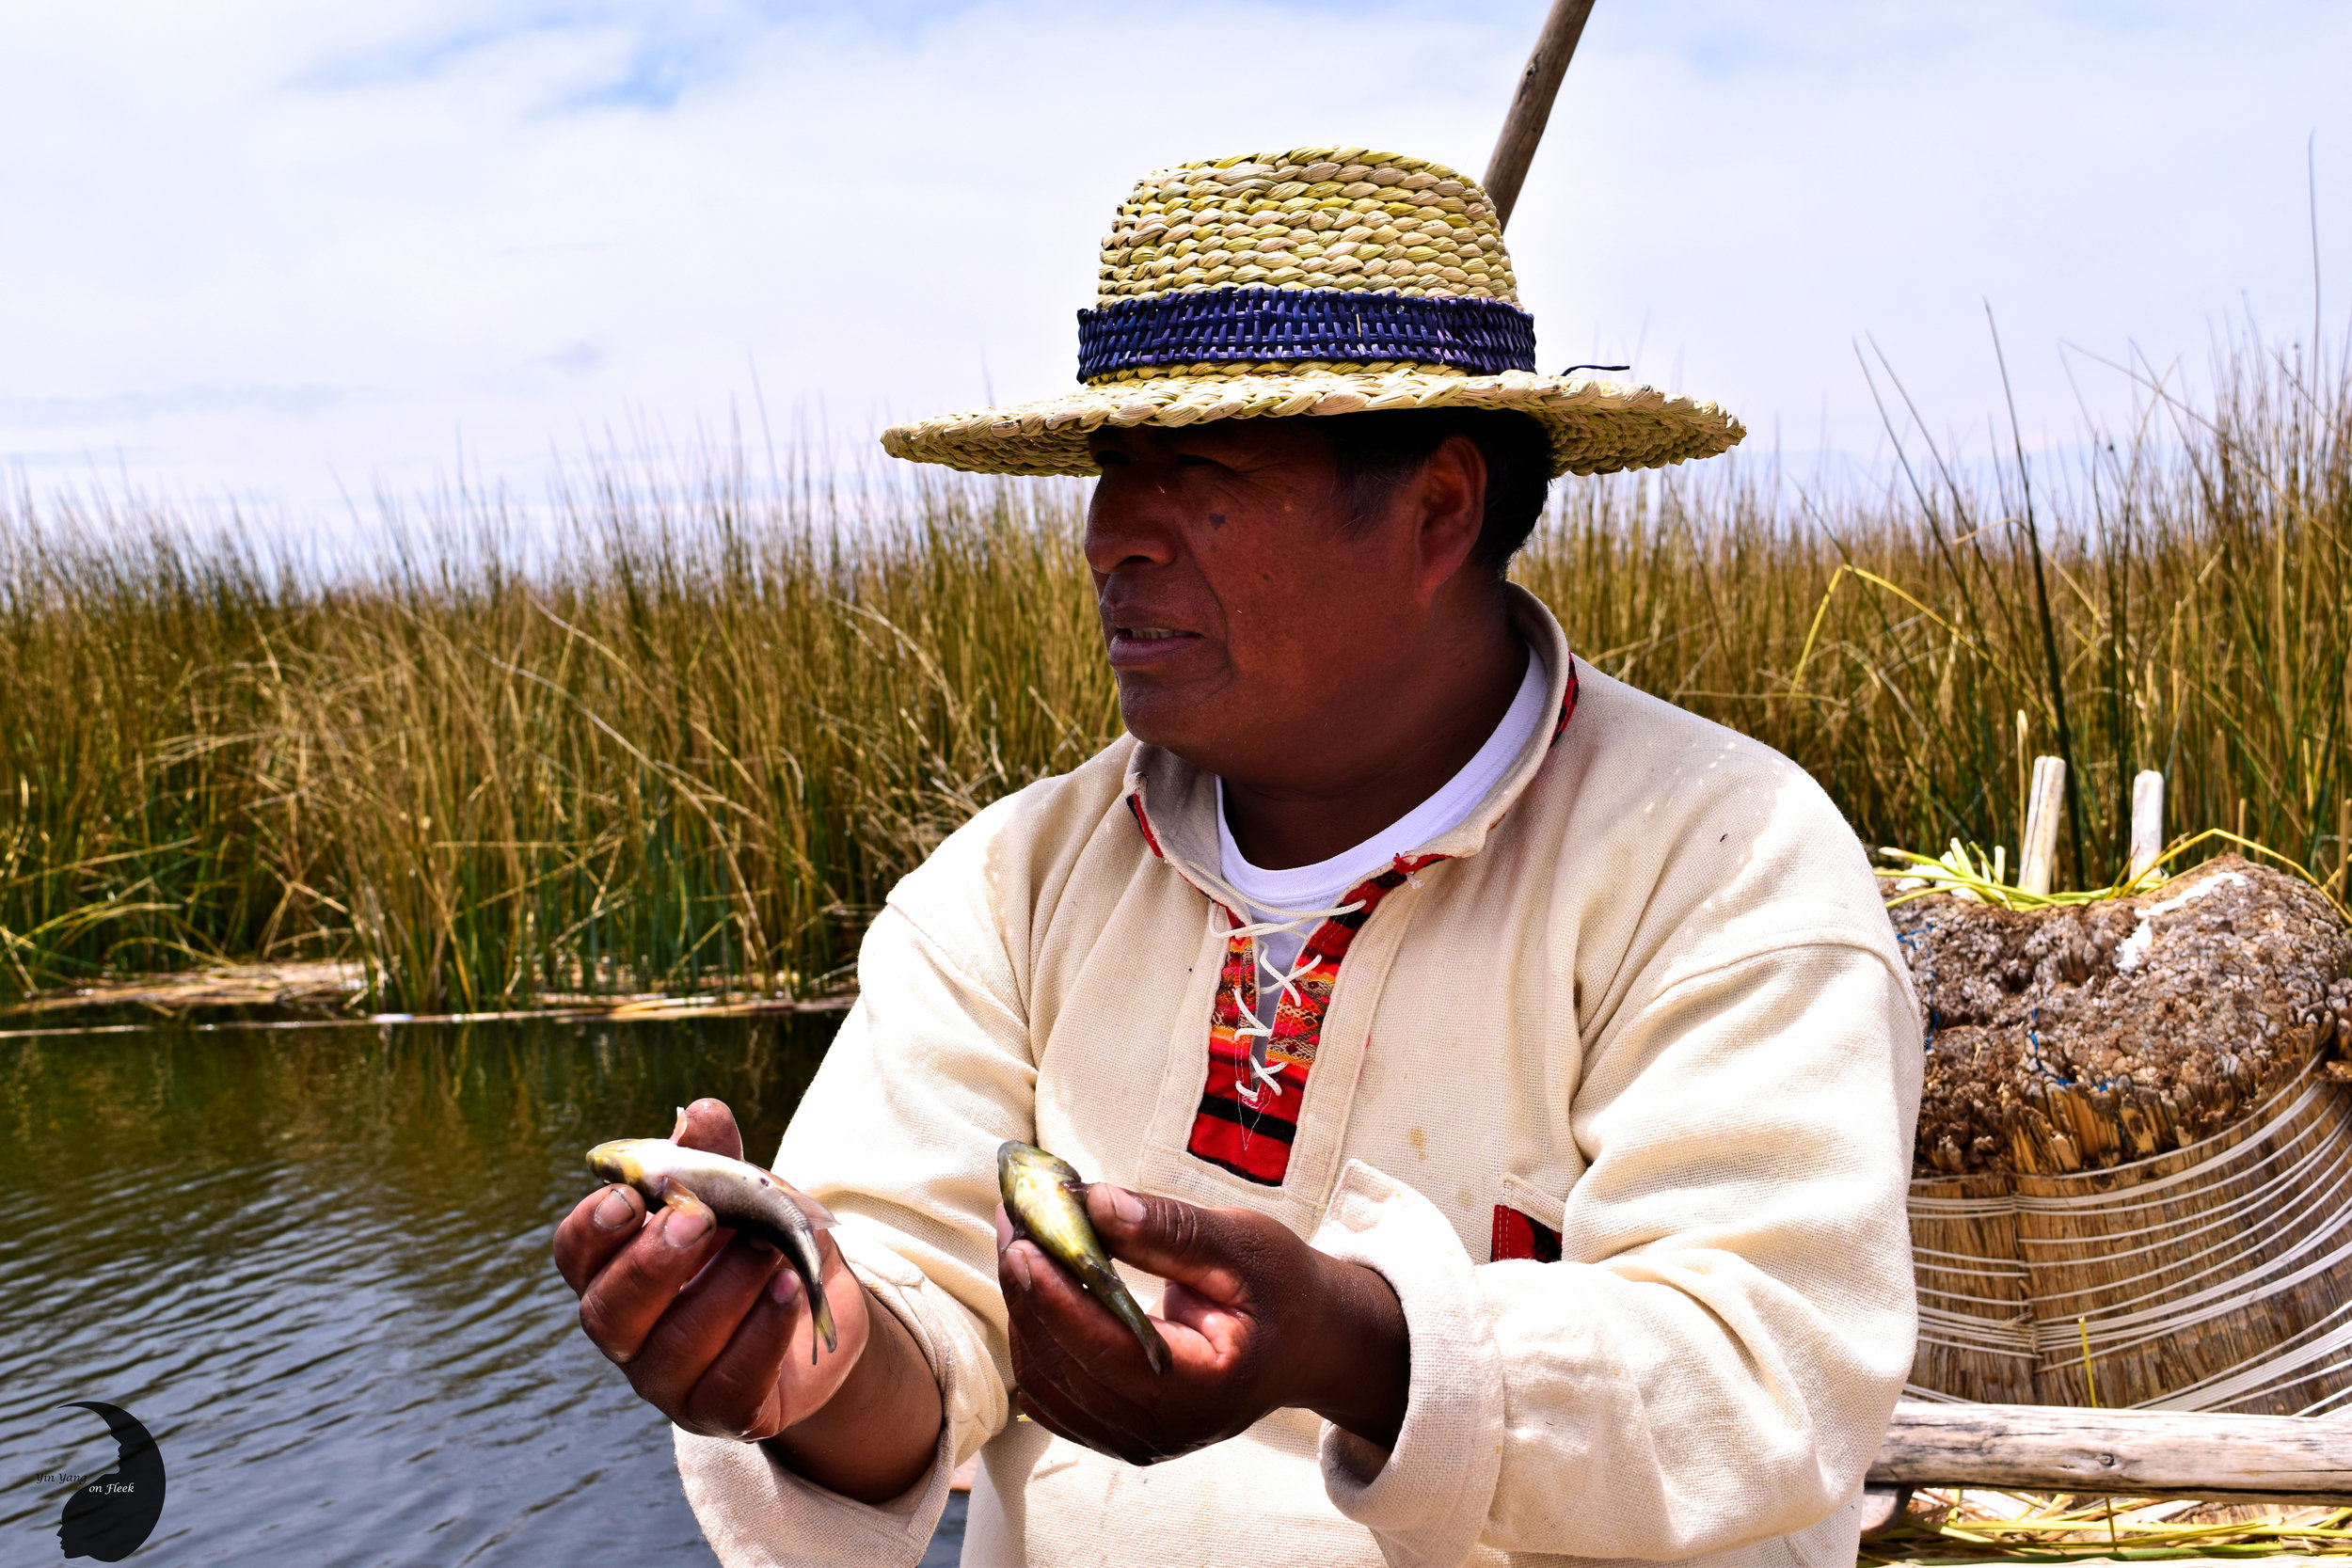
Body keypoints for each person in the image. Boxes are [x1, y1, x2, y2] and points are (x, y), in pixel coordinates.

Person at [551, 145, 1922, 1568]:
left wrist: (1357, 1349)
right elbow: (909, 1325)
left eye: (1196, 468)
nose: (1110, 540)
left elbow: (1768, 1368)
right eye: (1110, 471)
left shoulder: (1720, 861)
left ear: (1440, 509)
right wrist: (795, 1359)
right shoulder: (1006, 892)